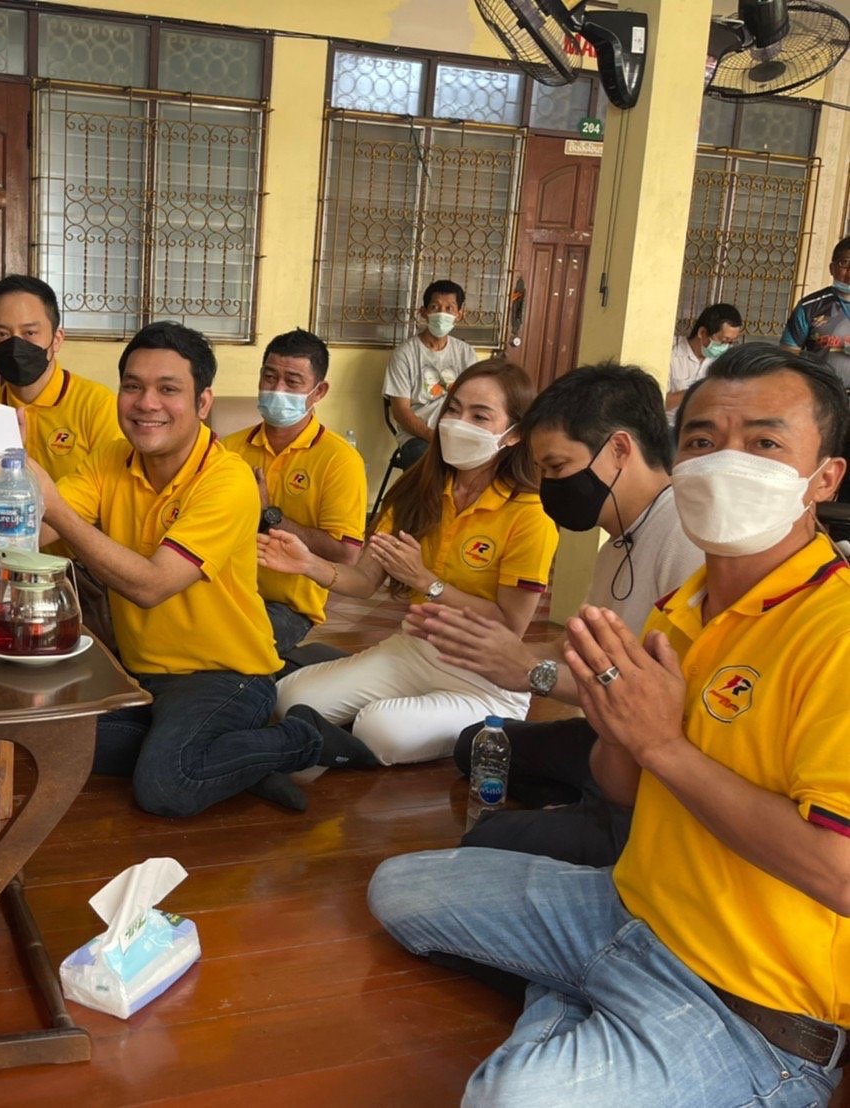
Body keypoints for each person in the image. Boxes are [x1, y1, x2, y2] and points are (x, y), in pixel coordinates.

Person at [369, 343, 850, 1106]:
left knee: (510, 1097)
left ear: (824, 478)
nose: (725, 462)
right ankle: (592, 1002)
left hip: (747, 1004)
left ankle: (592, 1018)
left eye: (763, 443)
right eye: (701, 441)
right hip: (628, 911)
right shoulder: (683, 607)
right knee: (398, 890)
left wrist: (660, 741)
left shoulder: (836, 630)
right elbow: (618, 786)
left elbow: (839, 873)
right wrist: (616, 722)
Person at [32, 321, 344, 818]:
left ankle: (300, 739)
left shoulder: (228, 479)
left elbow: (152, 586)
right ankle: (234, 761)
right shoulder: (111, 458)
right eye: (132, 386)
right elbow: (36, 530)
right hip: (142, 675)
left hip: (224, 676)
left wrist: (56, 509)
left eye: (168, 389)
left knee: (165, 787)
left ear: (202, 403)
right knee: (47, 739)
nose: (146, 403)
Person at [409, 363, 701, 866]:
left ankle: (602, 821)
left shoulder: (685, 538)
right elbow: (583, 649)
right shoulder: (618, 541)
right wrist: (493, 650)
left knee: (485, 839)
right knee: (476, 746)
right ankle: (580, 805)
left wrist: (529, 672)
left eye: (557, 467)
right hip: (606, 740)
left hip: (658, 772)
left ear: (619, 450)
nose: (546, 485)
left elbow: (654, 697)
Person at [265, 359, 559, 768]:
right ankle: (363, 722)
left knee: (379, 730)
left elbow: (510, 624)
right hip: (413, 650)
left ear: (514, 435)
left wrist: (426, 581)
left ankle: (380, 725)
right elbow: (365, 580)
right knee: (288, 699)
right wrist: (307, 563)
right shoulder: (418, 490)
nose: (458, 424)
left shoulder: (530, 515)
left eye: (480, 416)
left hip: (484, 675)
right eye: (453, 410)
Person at [225, 328, 367, 658]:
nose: (277, 390)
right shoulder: (228, 448)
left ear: (319, 392)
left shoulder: (339, 460)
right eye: (270, 377)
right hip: (225, 591)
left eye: (292, 382)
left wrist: (268, 514)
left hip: (288, 606)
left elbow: (345, 555)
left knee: (230, 654)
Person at [0, 274, 121, 481]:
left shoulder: (96, 406)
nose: (15, 344)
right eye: (1, 334)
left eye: (30, 333)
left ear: (56, 339)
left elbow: (111, 490)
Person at [383, 280, 477, 469]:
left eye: (449, 308)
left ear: (460, 314)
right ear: (423, 312)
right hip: (419, 437)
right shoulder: (405, 354)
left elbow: (476, 399)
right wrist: (434, 437)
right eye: (435, 307)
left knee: (487, 459)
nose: (442, 314)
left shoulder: (466, 353)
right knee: (428, 463)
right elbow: (401, 412)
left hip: (457, 433)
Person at [783, 234, 850, 390]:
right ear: (832, 268)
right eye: (845, 263)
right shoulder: (809, 307)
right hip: (821, 394)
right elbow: (788, 356)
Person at [666, 302, 743, 412]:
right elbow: (661, 403)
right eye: (723, 340)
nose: (725, 346)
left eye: (730, 342)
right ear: (702, 333)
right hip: (670, 425)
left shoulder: (725, 359)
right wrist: (698, 391)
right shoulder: (671, 352)